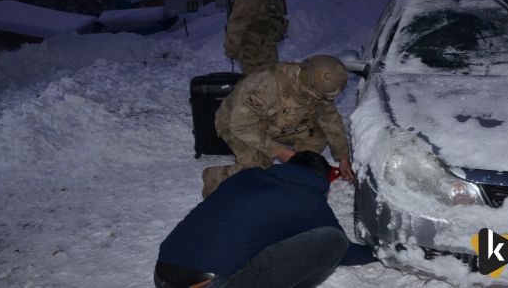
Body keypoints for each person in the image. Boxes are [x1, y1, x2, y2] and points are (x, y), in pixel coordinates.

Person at [155, 151, 377, 288]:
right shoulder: (307, 197)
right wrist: (380, 252)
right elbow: (343, 251)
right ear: (319, 178)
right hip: (212, 283)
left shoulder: (247, 176)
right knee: (333, 240)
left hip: (163, 275)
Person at [202, 55, 353, 198]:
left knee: (316, 138)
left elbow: (330, 118)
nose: (325, 100)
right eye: (321, 97)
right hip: (238, 124)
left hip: (277, 124)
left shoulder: (317, 87)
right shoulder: (266, 84)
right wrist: (279, 151)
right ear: (309, 87)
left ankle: (297, 176)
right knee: (257, 168)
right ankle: (215, 176)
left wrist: (343, 156)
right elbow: (241, 125)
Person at [224, 0, 289, 75]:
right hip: (253, 54)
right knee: (256, 86)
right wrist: (232, 49)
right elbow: (236, 26)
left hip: (266, 51)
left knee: (267, 84)